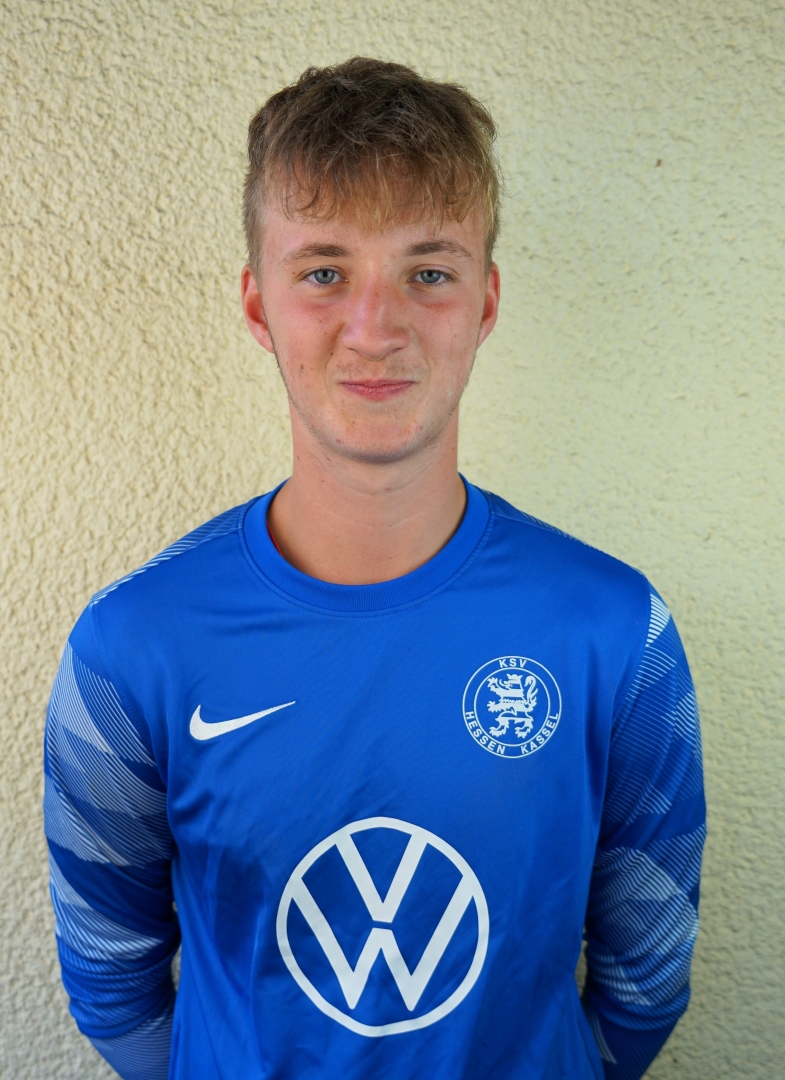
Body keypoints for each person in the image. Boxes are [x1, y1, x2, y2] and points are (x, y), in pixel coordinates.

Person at [44, 57, 705, 1080]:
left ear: (485, 303)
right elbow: (109, 975)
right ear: (258, 307)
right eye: (324, 272)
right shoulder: (131, 647)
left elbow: (647, 974)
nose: (376, 328)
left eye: (428, 273)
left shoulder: (617, 632)